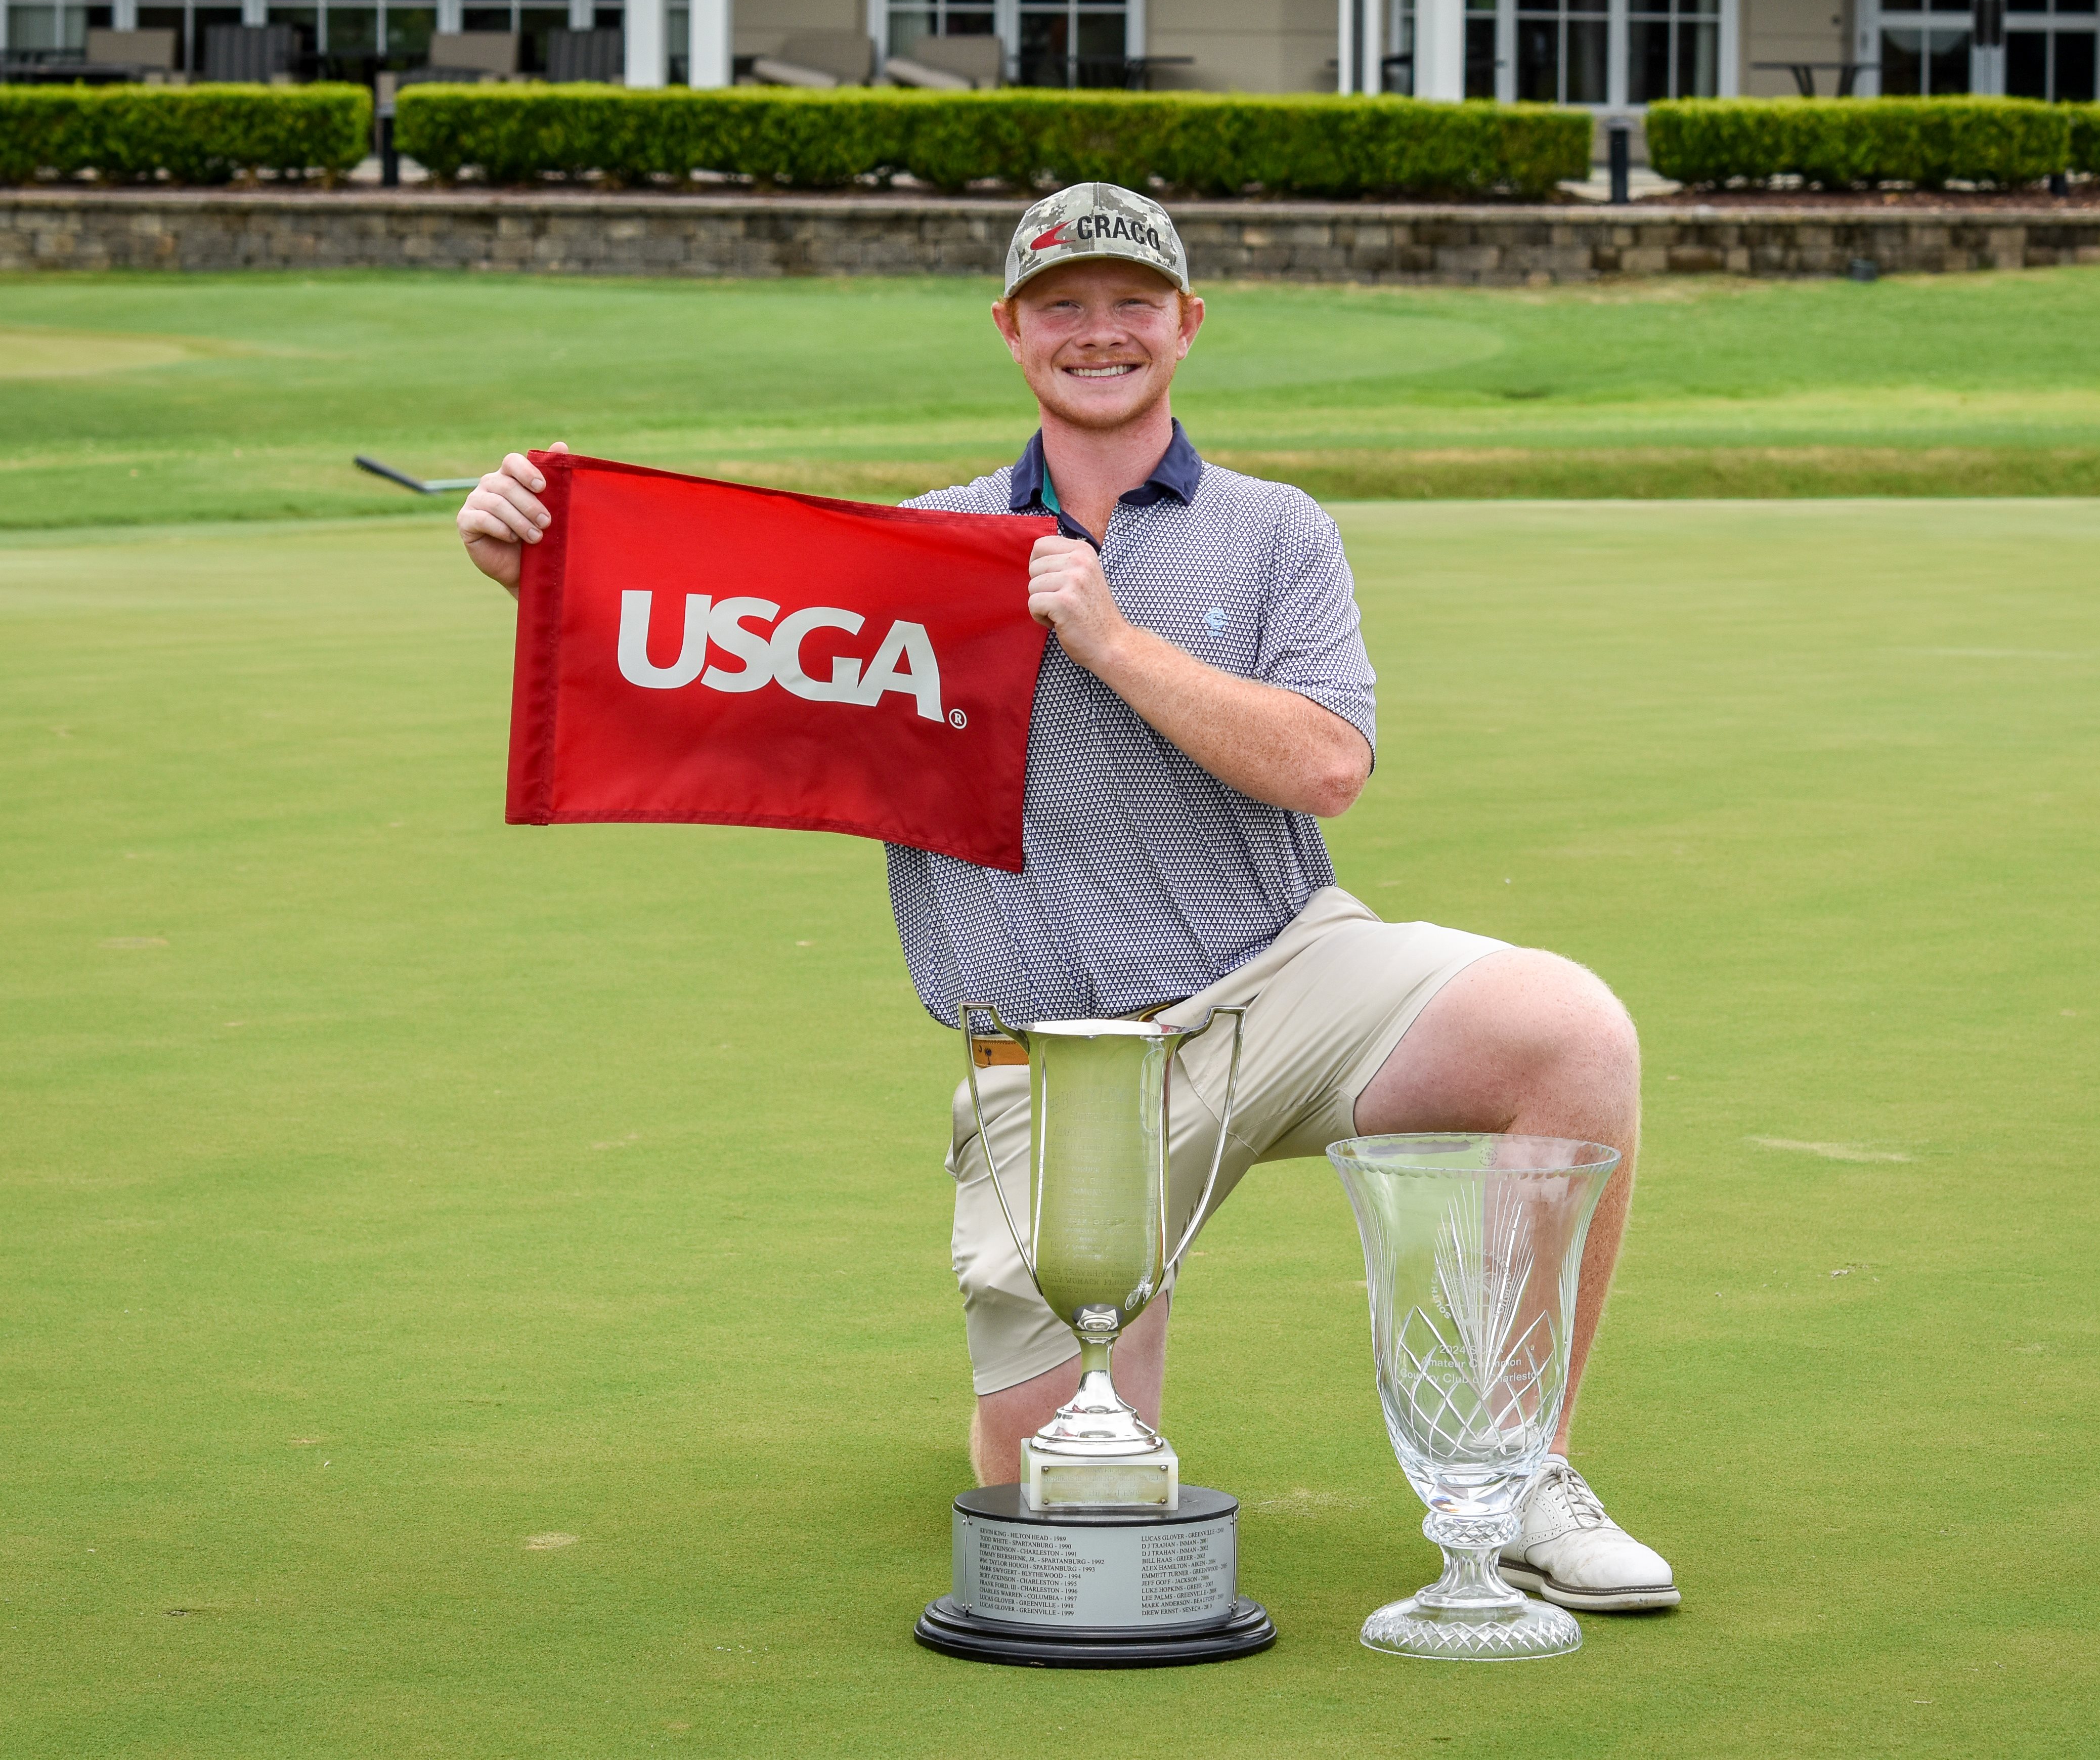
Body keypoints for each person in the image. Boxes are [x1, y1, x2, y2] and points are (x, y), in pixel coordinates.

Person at [455, 183, 1676, 1613]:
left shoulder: (1278, 534)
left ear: (1187, 324)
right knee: (1053, 1498)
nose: (1100, 332)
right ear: (1012, 330)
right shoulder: (920, 552)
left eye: (1131, 304)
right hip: (1046, 1061)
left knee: (1572, 1036)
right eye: (1062, 306)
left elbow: (1327, 767)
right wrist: (546, 572)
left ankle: (1524, 1472)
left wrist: (1108, 637)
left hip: (1284, 985)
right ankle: (1087, 1371)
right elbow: (730, 668)